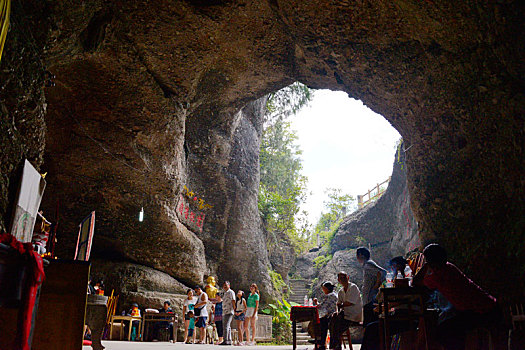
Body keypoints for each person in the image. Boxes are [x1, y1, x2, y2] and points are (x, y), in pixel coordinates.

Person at [413, 243, 501, 350]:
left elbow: (415, 282)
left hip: (483, 312)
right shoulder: (449, 267)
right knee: (449, 327)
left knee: (444, 331)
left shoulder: (438, 276)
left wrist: (425, 265)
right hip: (489, 307)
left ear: (431, 261)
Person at [329, 271, 363, 350]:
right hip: (345, 315)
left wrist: (341, 306)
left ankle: (335, 345)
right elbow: (338, 304)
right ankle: (335, 345)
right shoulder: (341, 291)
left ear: (348, 278)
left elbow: (350, 303)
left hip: (354, 315)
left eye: (344, 277)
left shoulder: (353, 287)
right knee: (332, 320)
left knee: (337, 325)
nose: (343, 279)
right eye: (340, 278)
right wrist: (336, 312)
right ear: (338, 280)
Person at [356, 247, 386, 326]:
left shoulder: (368, 264)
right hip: (368, 299)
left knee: (370, 324)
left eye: (357, 255)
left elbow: (382, 272)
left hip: (371, 299)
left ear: (361, 255)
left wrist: (377, 284)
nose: (357, 258)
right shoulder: (367, 265)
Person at [312, 281, 338, 350]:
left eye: (323, 289)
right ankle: (321, 342)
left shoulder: (330, 296)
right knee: (322, 320)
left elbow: (321, 306)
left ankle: (321, 341)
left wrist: (316, 302)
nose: (323, 290)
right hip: (333, 315)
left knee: (320, 322)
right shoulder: (334, 294)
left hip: (332, 316)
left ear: (326, 289)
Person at [219, 281, 236, 345]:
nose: (225, 286)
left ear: (229, 285)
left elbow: (233, 301)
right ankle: (229, 340)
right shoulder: (224, 293)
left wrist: (234, 309)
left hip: (229, 311)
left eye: (226, 285)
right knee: (227, 326)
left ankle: (225, 340)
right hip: (224, 311)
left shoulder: (231, 292)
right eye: (224, 285)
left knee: (226, 326)